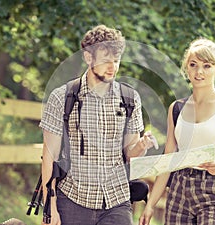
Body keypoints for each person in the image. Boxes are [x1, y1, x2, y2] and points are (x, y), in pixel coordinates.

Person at [40, 25, 158, 225]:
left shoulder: (130, 98)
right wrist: (49, 207)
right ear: (88, 57)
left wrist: (141, 146)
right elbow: (49, 157)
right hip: (72, 200)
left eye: (116, 60)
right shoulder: (62, 97)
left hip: (116, 202)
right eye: (106, 60)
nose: (113, 67)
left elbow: (129, 154)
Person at [139, 38, 215, 225]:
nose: (199, 72)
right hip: (180, 187)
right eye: (193, 65)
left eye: (206, 66)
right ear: (186, 68)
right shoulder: (176, 109)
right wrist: (150, 205)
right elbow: (168, 161)